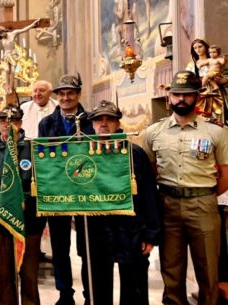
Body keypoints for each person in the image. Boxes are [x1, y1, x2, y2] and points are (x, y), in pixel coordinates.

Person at [142, 70, 228, 305]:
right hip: (167, 205)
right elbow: (150, 172)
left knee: (208, 268)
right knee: (171, 269)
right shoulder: (153, 132)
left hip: (203, 204)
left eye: (187, 95)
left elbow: (225, 174)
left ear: (197, 97)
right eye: (177, 94)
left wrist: (203, 194)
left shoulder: (215, 132)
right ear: (169, 96)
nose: (181, 99)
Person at [88, 100, 161, 305]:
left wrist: (151, 234)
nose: (104, 123)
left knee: (134, 286)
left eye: (109, 119)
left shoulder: (134, 154)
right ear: (92, 125)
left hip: (131, 229)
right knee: (99, 286)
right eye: (99, 119)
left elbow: (149, 195)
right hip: (98, 230)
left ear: (118, 124)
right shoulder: (82, 155)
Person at [0, 105, 46, 305]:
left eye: (12, 121)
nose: (8, 125)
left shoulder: (33, 149)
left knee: (30, 274)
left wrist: (22, 201)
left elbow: (42, 181)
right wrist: (5, 203)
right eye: (3, 121)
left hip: (29, 221)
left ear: (20, 123)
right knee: (5, 275)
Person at [38, 73, 96, 305]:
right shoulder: (46, 123)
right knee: (60, 247)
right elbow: (43, 156)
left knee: (86, 246)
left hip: (87, 190)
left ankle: (89, 292)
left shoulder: (91, 119)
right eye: (61, 94)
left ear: (78, 94)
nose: (65, 97)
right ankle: (65, 294)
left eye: (70, 93)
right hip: (58, 192)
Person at [0, 19, 41, 92]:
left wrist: (33, 24)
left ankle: (11, 87)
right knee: (7, 70)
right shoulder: (0, 37)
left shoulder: (13, 33)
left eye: (2, 34)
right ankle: (7, 87)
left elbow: (24, 29)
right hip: (6, 56)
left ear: (5, 31)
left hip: (13, 55)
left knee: (13, 71)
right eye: (0, 35)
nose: (2, 36)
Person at [187, 38, 228, 126]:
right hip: (200, 92)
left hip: (215, 91)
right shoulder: (191, 65)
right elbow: (186, 79)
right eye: (195, 48)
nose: (198, 49)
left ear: (205, 47)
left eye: (200, 46)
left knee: (217, 116)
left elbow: (226, 74)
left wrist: (224, 80)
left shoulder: (215, 61)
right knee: (201, 118)